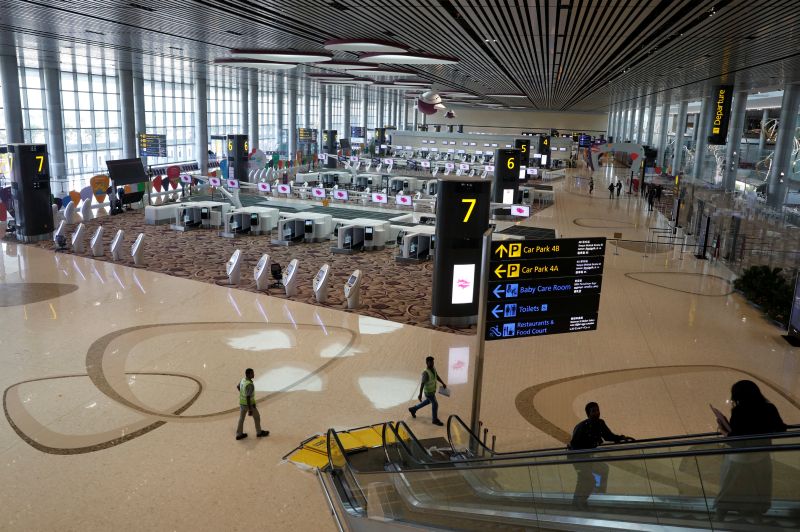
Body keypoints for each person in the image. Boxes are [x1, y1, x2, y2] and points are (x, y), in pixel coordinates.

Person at [714, 380, 786, 522]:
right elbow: (781, 429)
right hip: (761, 454)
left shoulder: (738, 411)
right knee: (757, 486)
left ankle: (720, 514)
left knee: (730, 485)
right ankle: (756, 516)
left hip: (739, 457)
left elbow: (737, 439)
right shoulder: (769, 408)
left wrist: (724, 431)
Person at [568, 402, 634, 509]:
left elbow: (608, 436)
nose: (597, 413)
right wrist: (581, 462)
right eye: (593, 411)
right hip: (577, 457)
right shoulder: (581, 427)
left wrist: (621, 438)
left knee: (598, 471)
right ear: (588, 414)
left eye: (597, 410)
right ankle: (579, 503)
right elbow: (574, 445)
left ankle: (580, 502)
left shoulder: (600, 423)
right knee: (588, 480)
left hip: (587, 457)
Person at [409, 356, 447, 426]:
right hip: (428, 392)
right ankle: (434, 420)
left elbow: (436, 376)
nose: (432, 364)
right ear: (426, 363)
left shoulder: (433, 368)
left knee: (428, 401)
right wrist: (420, 394)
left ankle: (414, 409)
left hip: (432, 391)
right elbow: (422, 384)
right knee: (435, 404)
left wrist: (442, 383)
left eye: (433, 362)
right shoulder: (425, 373)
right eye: (430, 362)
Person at [235, 368, 269, 440]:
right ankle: (259, 432)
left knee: (241, 419)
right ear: (248, 374)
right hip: (249, 405)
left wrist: (242, 393)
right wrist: (250, 409)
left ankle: (239, 434)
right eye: (252, 373)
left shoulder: (243, 380)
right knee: (257, 417)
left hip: (242, 403)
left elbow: (238, 387)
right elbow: (248, 397)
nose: (253, 374)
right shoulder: (250, 385)